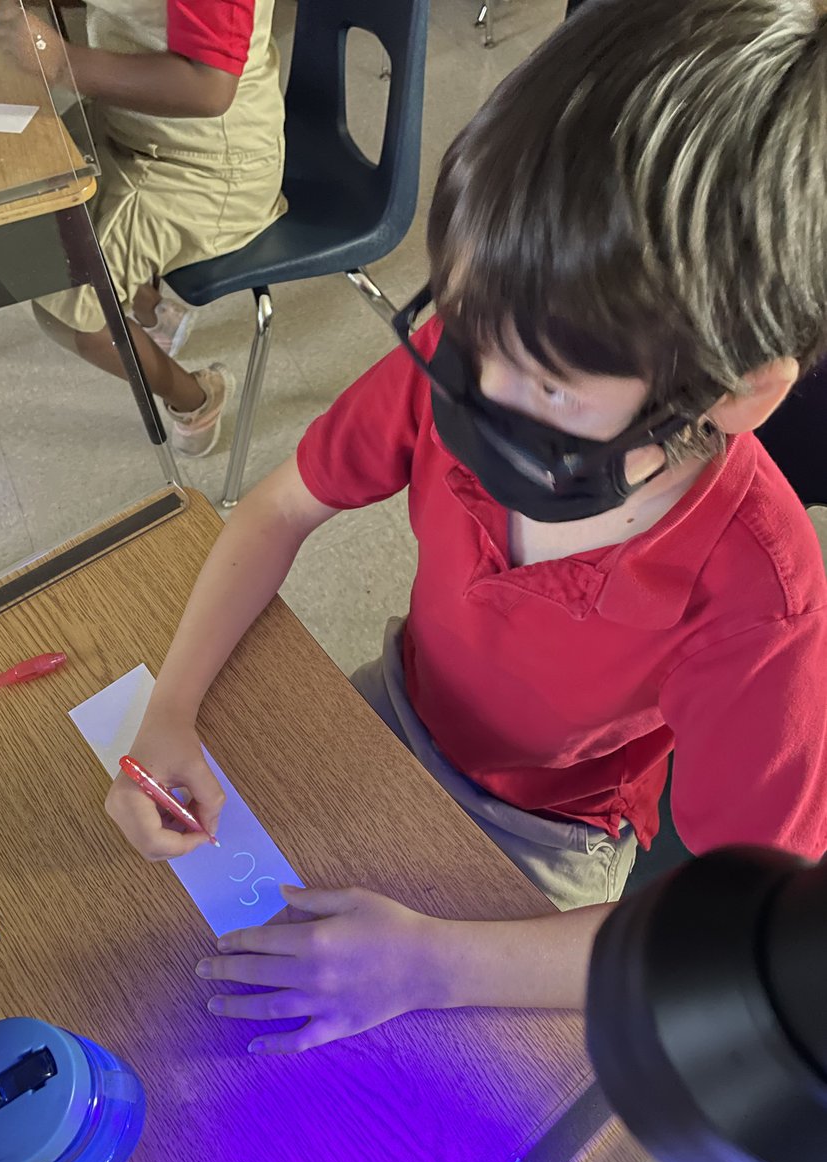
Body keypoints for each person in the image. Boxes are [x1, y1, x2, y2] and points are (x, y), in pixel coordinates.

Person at [105, 0, 827, 1054]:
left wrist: (430, 962)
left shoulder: (759, 594)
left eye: (543, 383)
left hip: (547, 837)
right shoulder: (484, 339)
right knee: (161, 946)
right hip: (398, 704)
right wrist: (170, 713)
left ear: (736, 393)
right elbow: (279, 506)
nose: (476, 383)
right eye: (472, 323)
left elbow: (732, 936)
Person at [0, 0, 286, 457]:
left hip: (211, 167)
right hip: (131, 130)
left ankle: (195, 398)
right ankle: (150, 310)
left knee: (68, 308)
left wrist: (58, 60)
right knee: (27, 191)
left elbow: (210, 88)